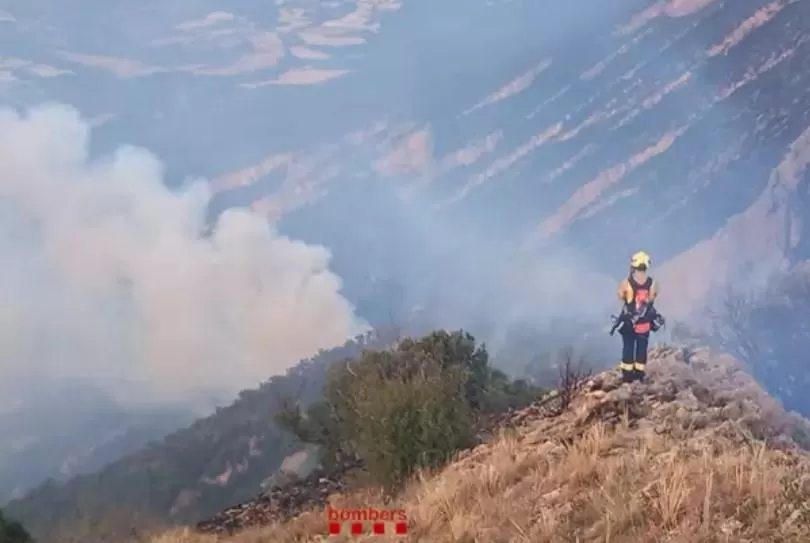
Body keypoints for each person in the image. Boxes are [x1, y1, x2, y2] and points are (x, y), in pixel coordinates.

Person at [615, 251, 658, 383]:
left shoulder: (626, 282)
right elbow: (652, 299)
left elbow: (621, 296)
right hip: (644, 324)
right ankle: (639, 374)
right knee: (642, 348)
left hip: (629, 324)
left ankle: (627, 376)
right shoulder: (652, 283)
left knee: (628, 347)